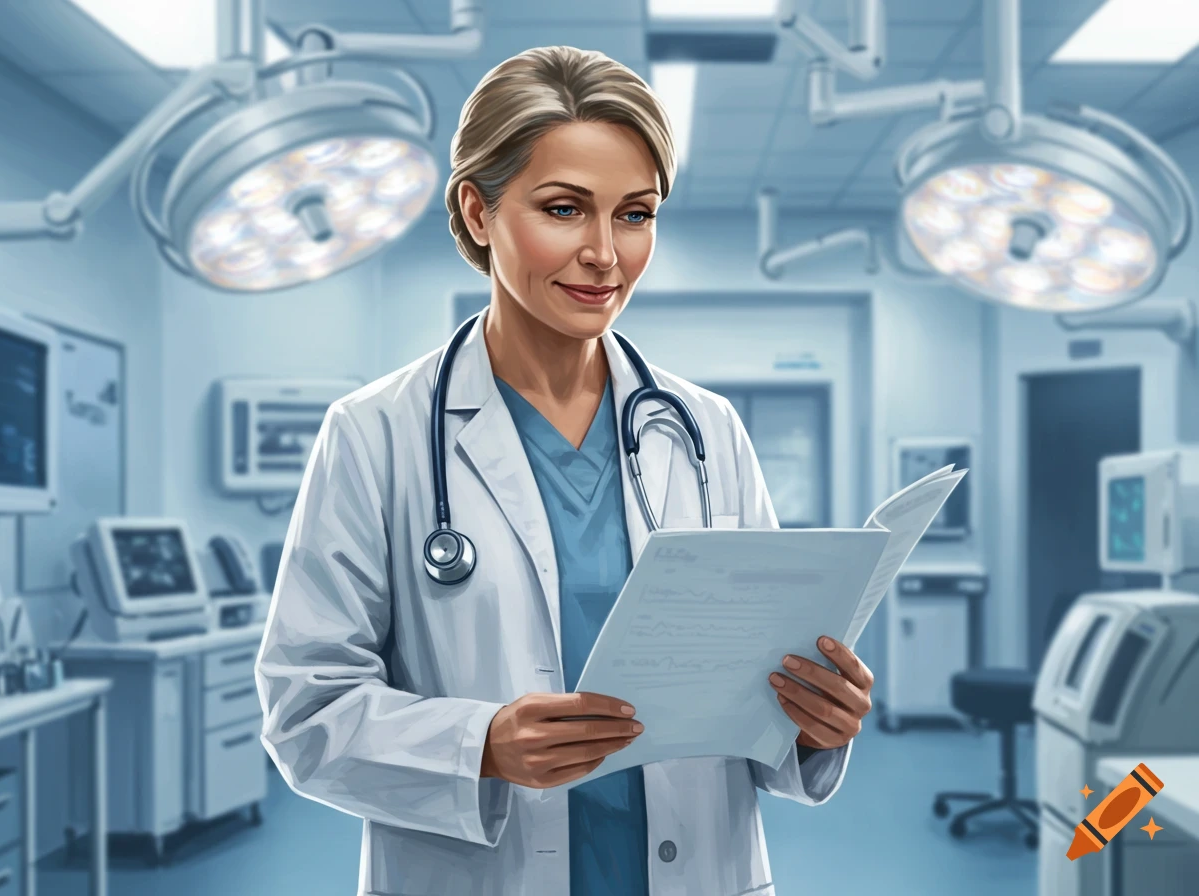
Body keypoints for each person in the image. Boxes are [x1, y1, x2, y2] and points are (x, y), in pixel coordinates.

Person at [255, 45, 874, 896]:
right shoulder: (376, 436)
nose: (605, 254)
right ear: (478, 212)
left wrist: (812, 723)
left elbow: (752, 694)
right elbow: (305, 712)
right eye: (563, 209)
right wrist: (481, 746)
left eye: (634, 214)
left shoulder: (706, 432)